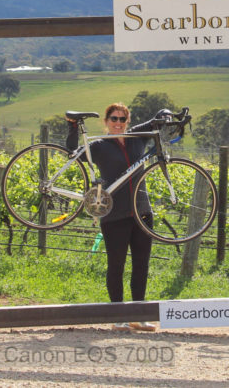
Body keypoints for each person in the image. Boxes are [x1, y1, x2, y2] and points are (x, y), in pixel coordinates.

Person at [66, 102, 158, 332]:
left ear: (128, 122)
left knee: (141, 265)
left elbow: (154, 122)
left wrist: (165, 115)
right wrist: (72, 128)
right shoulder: (99, 146)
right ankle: (118, 317)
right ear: (106, 122)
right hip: (115, 214)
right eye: (114, 119)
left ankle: (139, 317)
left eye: (122, 119)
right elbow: (72, 153)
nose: (118, 123)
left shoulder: (138, 139)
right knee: (116, 265)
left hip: (141, 211)